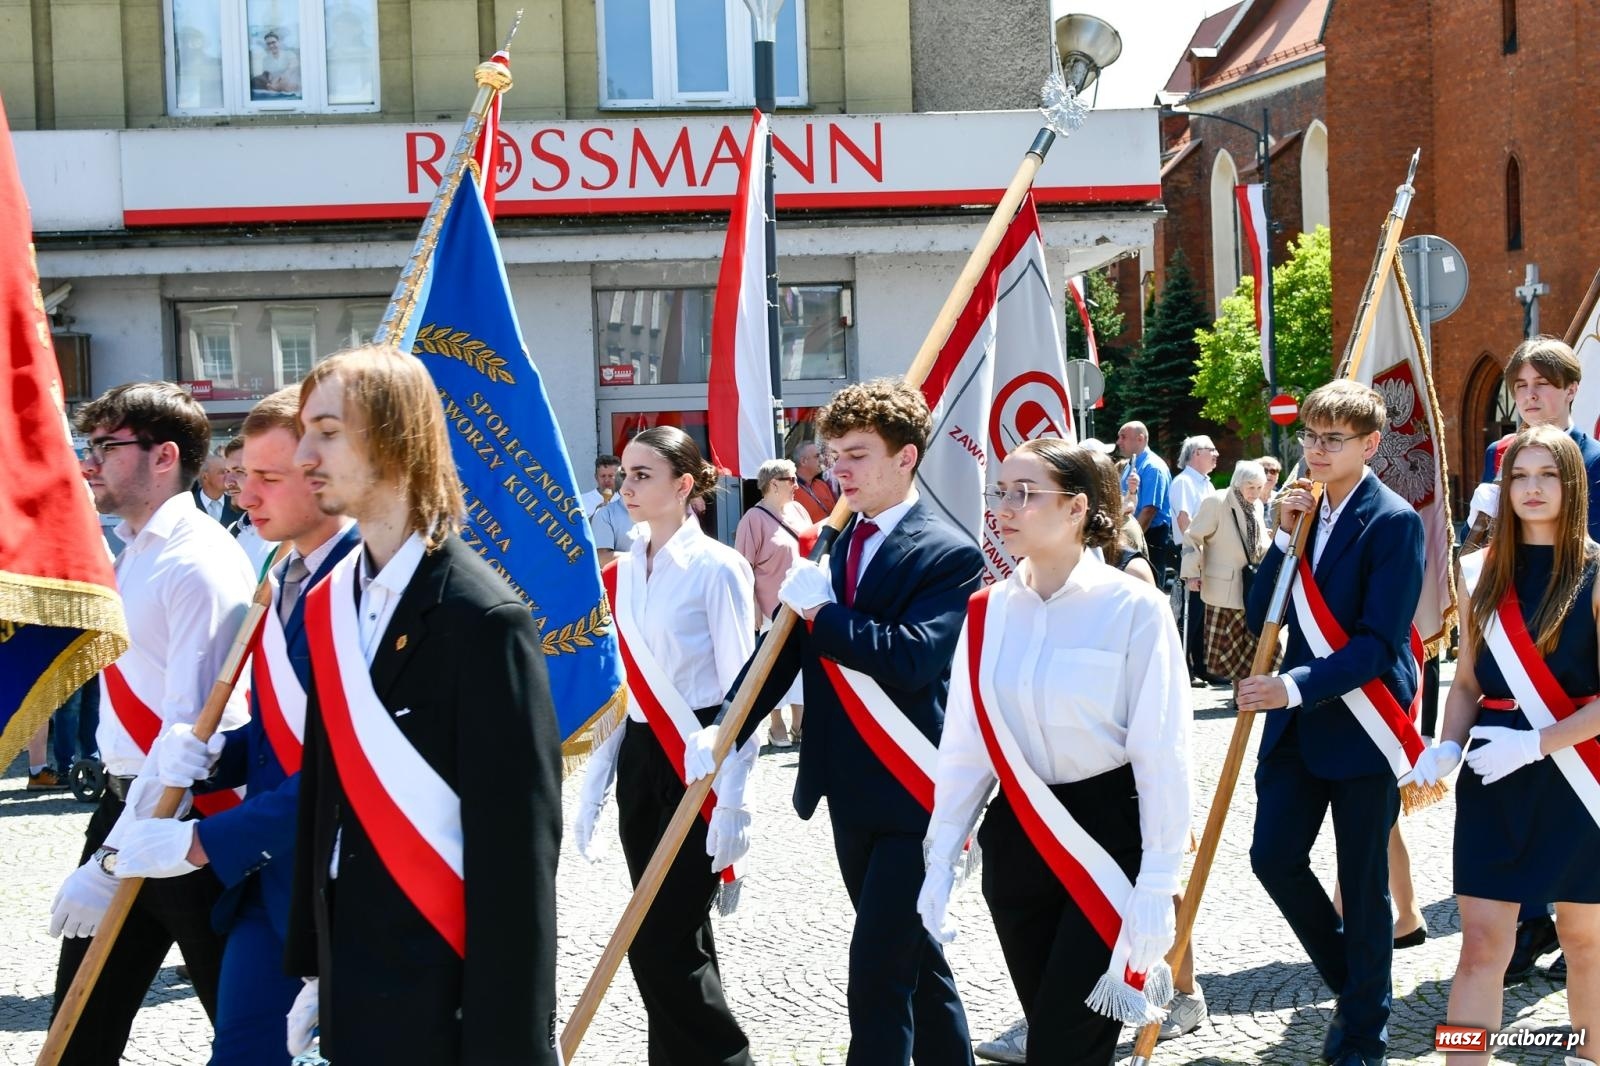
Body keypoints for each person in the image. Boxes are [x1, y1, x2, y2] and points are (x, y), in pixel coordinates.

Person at [285, 347, 562, 1064]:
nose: (303, 453)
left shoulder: (483, 619)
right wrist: (314, 964)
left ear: (393, 436)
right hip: (354, 971)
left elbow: (518, 857)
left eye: (327, 431)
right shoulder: (333, 605)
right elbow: (325, 798)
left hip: (442, 985)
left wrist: (511, 1040)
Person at [697, 378, 985, 1066]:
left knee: (877, 972)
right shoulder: (832, 542)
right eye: (831, 456)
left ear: (906, 457)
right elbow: (784, 651)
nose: (837, 470)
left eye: (856, 454)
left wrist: (828, 614)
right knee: (916, 965)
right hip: (850, 788)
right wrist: (726, 727)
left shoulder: (948, 552)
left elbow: (913, 660)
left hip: (916, 789)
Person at [106, 386, 359, 1066]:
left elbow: (349, 768)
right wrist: (217, 755)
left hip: (347, 888)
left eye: (265, 478)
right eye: (243, 475)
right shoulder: (285, 572)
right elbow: (283, 732)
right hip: (275, 883)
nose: (243, 496)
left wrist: (201, 843)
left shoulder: (364, 587)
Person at [919, 439, 1190, 1066]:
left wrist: (1158, 879)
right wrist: (939, 857)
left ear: (1076, 508)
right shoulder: (987, 612)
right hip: (1018, 840)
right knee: (1052, 1031)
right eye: (1000, 493)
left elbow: (1163, 751)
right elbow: (964, 746)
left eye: (1024, 494)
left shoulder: (1134, 609)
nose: (1004, 510)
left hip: (1107, 838)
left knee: (1065, 1047)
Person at [48, 382, 256, 1065]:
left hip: (188, 829)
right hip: (125, 811)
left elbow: (195, 731)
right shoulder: (132, 550)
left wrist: (113, 860)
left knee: (253, 1038)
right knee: (78, 1034)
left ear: (163, 456)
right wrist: (112, 848)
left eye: (105, 447)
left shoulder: (196, 562)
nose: (89, 463)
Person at [1240, 380, 1426, 1066]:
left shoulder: (1395, 521)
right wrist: (1283, 539)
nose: (1315, 450)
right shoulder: (1303, 512)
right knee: (1273, 858)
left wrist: (1290, 687)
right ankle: (1358, 988)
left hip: (1361, 720)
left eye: (1332, 439)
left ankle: (1362, 1034)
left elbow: (1380, 643)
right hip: (1297, 725)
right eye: (1310, 437)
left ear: (1371, 446)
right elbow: (1267, 612)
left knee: (1364, 883)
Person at [1412, 425, 1600, 1066]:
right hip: (1494, 776)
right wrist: (1446, 746)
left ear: (1571, 483)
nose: (1533, 488)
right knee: (1480, 947)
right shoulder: (1479, 575)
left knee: (1585, 943)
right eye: (1520, 476)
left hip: (1579, 775)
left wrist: (1537, 744)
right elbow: (1466, 682)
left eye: (1547, 474)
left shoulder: (1597, 574)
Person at [572, 425, 758, 1066]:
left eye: (642, 475)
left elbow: (745, 694)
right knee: (678, 937)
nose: (626, 486)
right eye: (624, 473)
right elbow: (621, 687)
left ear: (685, 486)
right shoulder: (619, 573)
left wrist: (732, 802)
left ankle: (730, 1058)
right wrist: (596, 783)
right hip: (642, 761)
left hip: (697, 758)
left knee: (657, 938)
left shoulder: (720, 568)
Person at [1475, 337, 1600, 982]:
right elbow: (1470, 660)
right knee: (1480, 951)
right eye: (1519, 386)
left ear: (1571, 390)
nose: (1529, 395)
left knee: (1587, 943)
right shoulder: (1502, 461)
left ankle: (1582, 1044)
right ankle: (1525, 930)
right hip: (1503, 707)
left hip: (1573, 693)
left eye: (1542, 385)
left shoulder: (1595, 462)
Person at [733, 457, 811, 747]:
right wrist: (752, 605)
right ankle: (776, 725)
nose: (797, 486)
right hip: (769, 606)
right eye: (792, 480)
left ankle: (800, 725)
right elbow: (743, 567)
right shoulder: (752, 519)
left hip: (800, 603)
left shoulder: (799, 511)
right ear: (773, 483)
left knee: (802, 667)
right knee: (773, 666)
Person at [1183, 460, 1270, 690]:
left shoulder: (1257, 506)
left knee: (1251, 642)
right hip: (1225, 585)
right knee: (1231, 647)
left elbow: (1258, 543)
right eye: (1250, 486)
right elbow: (1193, 537)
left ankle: (1244, 694)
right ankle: (1239, 695)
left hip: (1251, 583)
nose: (1255, 492)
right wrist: (1192, 574)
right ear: (1238, 483)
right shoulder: (1217, 501)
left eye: (1259, 487)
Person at [1171, 436, 1220, 683]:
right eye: (1211, 450)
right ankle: (1183, 667)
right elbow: (1184, 519)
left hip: (1207, 552)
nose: (1216, 454)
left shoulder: (1206, 484)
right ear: (1196, 453)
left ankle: (1201, 666)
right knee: (1190, 614)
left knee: (1203, 614)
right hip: (1192, 553)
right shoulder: (1184, 482)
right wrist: (1196, 559)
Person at [1117, 421, 1175, 578]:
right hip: (1137, 536)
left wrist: (1132, 542)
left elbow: (1149, 511)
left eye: (1123, 437)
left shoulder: (1152, 467)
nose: (1118, 442)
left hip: (1149, 538)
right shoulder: (1133, 464)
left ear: (1140, 438)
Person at [222, 436, 276, 573]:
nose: (228, 482)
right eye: (227, 471)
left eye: (239, 471)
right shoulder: (233, 530)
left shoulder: (285, 537)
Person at [592, 469, 640, 566]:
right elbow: (601, 559)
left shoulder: (661, 511)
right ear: (621, 490)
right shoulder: (605, 514)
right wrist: (643, 558)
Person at [193, 451, 245, 527]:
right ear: (205, 476)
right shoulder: (188, 506)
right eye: (222, 472)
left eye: (228, 471)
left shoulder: (237, 505)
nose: (228, 476)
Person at [792, 439, 839, 522]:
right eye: (817, 456)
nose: (821, 459)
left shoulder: (821, 485)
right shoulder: (791, 491)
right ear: (803, 461)